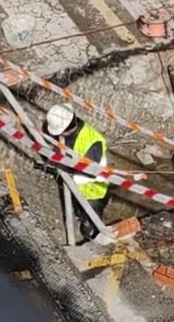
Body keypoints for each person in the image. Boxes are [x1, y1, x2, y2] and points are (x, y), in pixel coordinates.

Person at [45, 104, 110, 243]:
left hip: (93, 191)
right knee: (80, 210)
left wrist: (64, 169)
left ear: (67, 128)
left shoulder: (92, 142)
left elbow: (90, 173)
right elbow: (62, 148)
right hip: (77, 186)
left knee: (91, 222)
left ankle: (93, 237)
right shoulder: (68, 133)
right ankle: (82, 218)